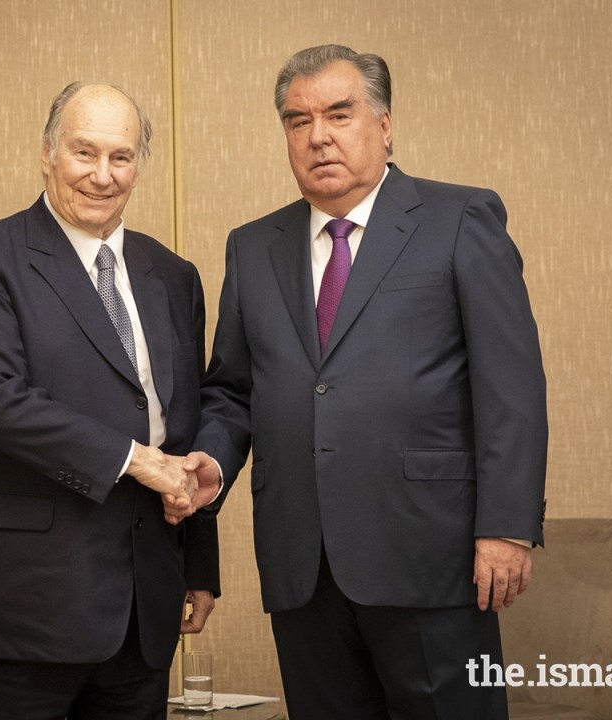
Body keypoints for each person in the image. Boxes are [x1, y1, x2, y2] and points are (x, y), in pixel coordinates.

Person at [184, 45, 548, 719]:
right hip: (302, 564)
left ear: (384, 125)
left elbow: (512, 385)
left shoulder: (459, 219)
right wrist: (212, 458)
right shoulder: (252, 247)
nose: (318, 135)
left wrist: (507, 527)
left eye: (339, 114)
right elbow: (233, 390)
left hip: (430, 557)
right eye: (298, 121)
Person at [0, 81, 219, 720]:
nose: (103, 176)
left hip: (144, 611)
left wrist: (198, 561)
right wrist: (137, 461)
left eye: (121, 157)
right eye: (85, 153)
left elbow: (182, 421)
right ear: (47, 154)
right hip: (19, 608)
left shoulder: (173, 275)